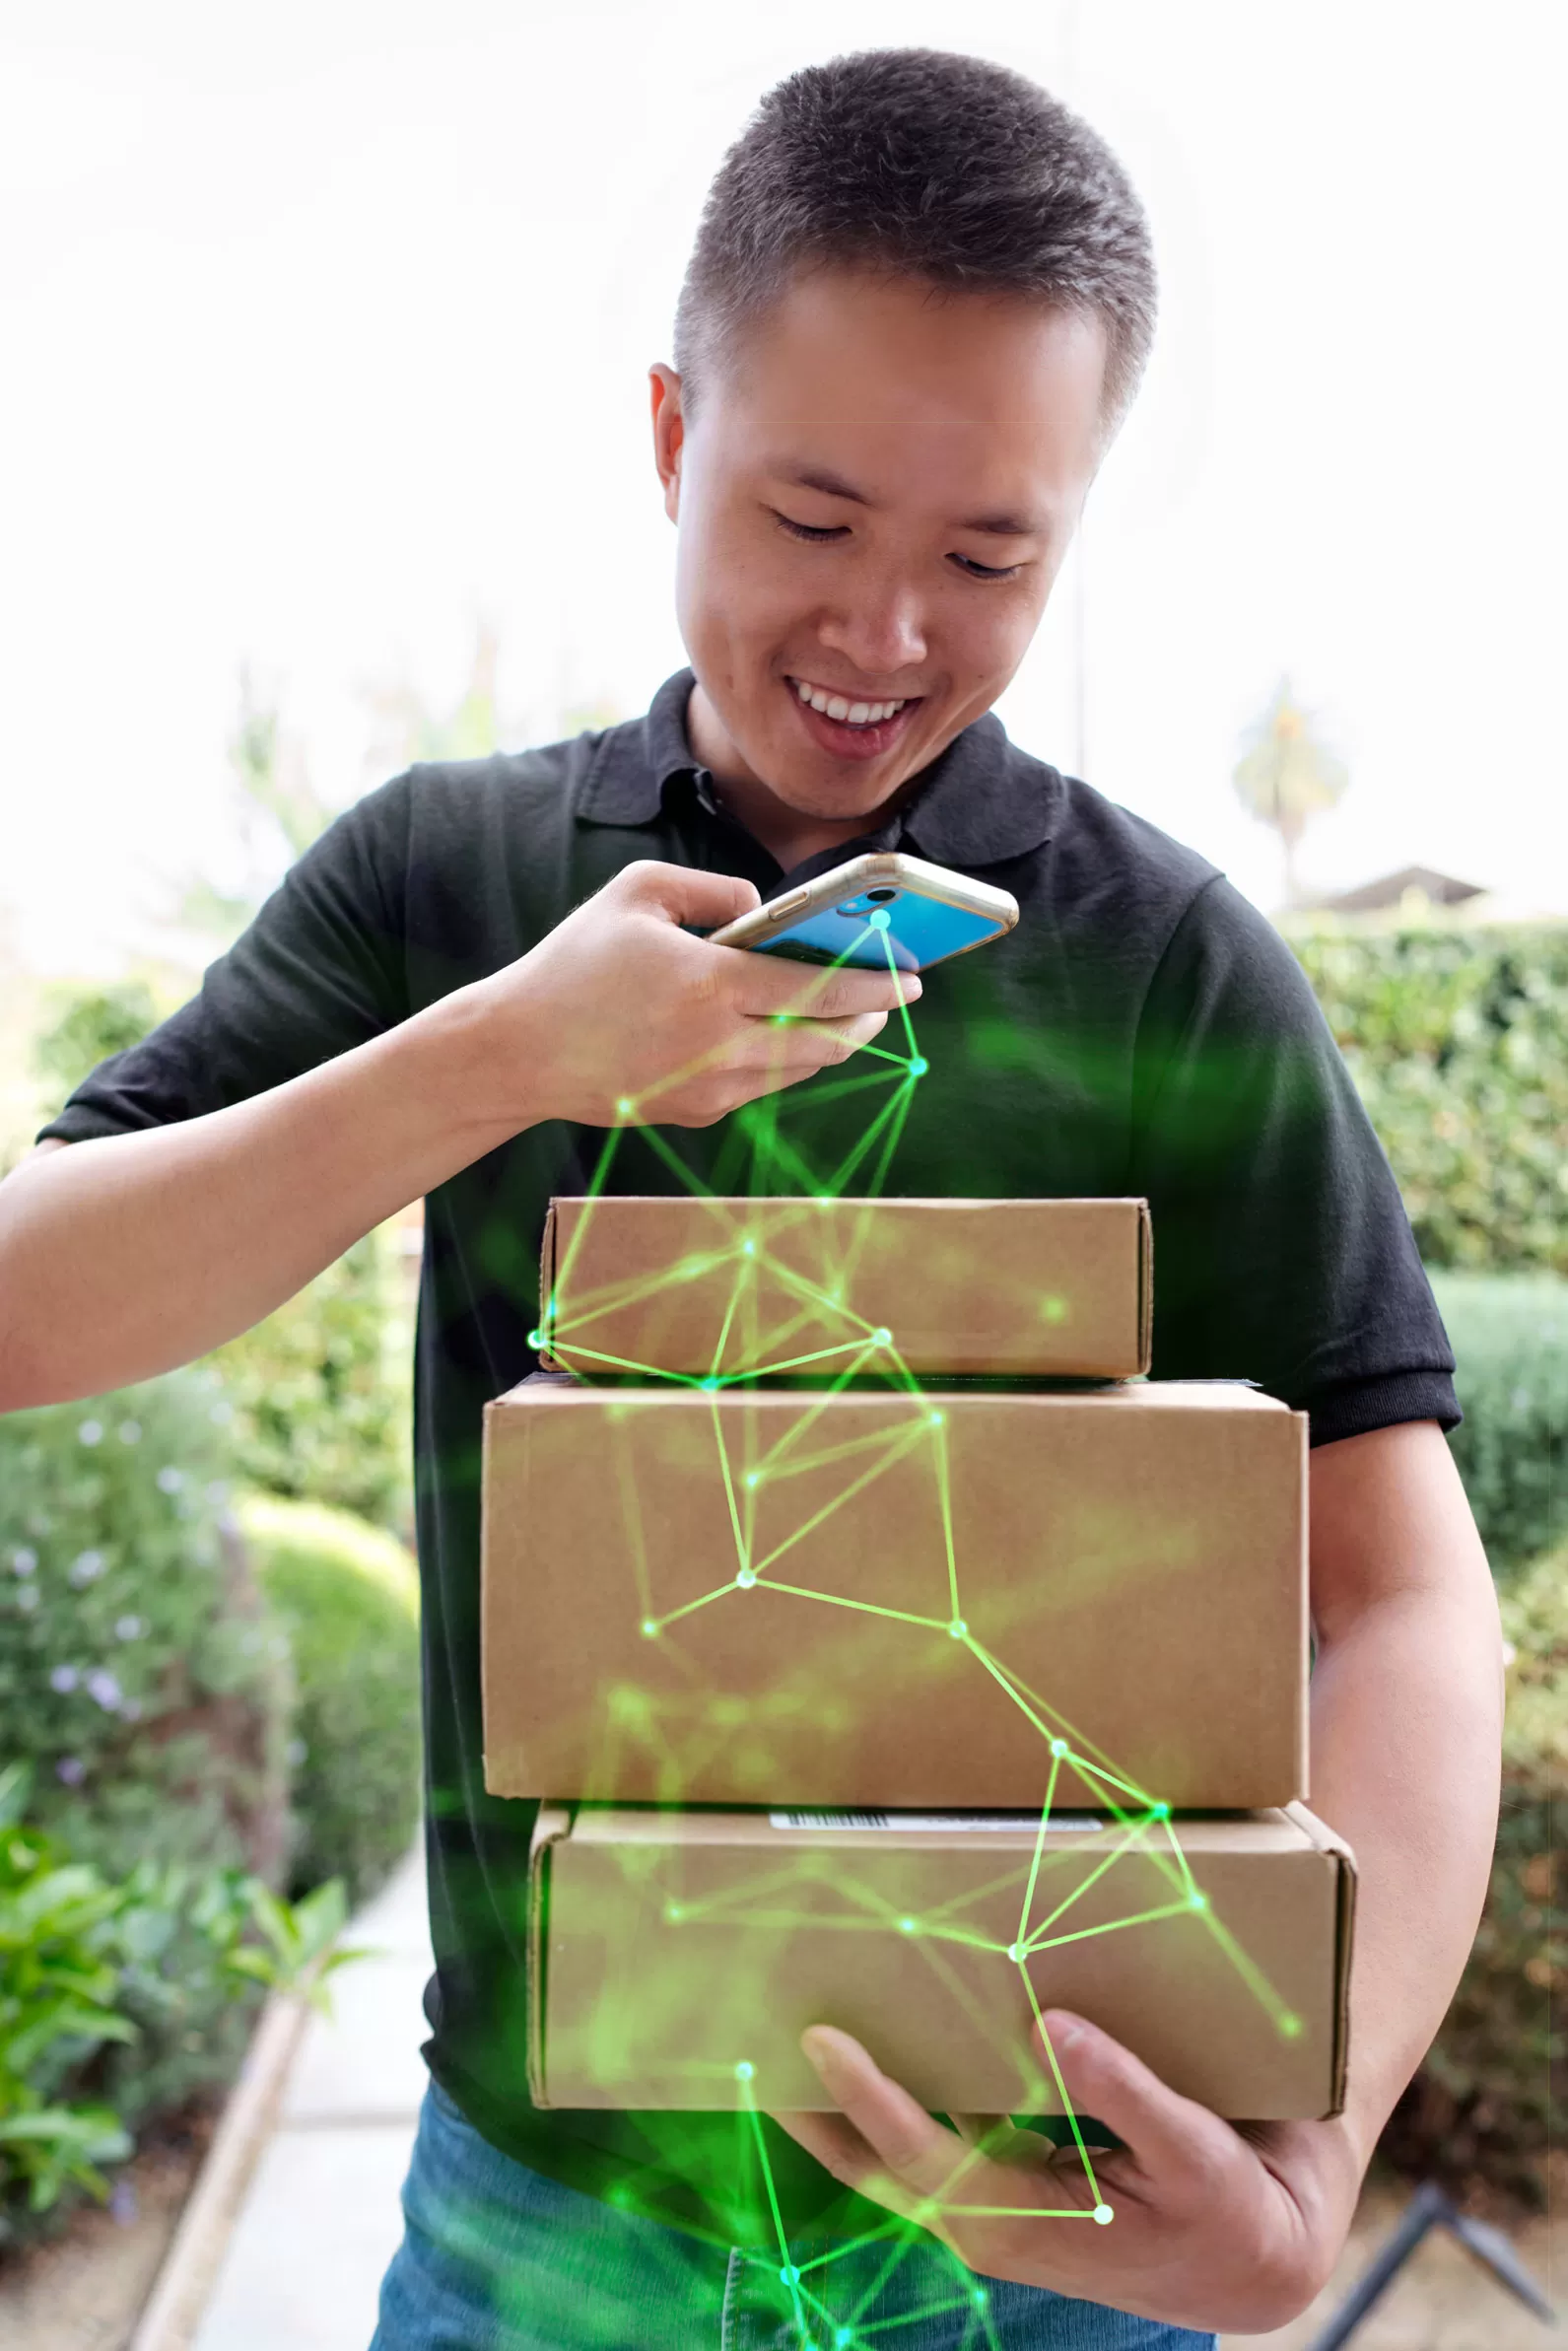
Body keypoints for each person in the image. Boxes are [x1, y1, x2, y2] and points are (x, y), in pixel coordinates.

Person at [0, 46, 1501, 2351]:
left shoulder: (1171, 958)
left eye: (990, 554)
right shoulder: (452, 877)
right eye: (812, 521)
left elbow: (1402, 1599)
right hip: (541, 2217)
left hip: (1053, 2217)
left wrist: (1313, 2153)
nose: (886, 634)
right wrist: (500, 1052)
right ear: (677, 437)